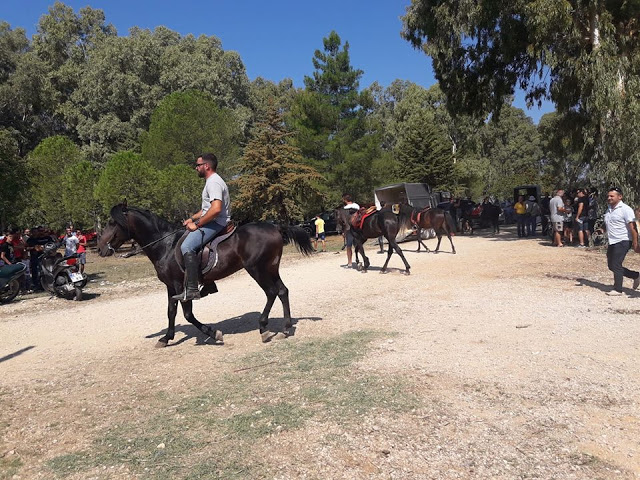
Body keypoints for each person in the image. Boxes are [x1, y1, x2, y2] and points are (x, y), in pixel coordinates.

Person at [173, 153, 231, 301]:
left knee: (187, 247)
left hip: (217, 223)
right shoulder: (211, 182)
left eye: (198, 165)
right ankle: (208, 283)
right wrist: (192, 218)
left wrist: (197, 224)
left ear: (207, 166)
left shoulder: (213, 182)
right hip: (213, 220)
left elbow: (216, 209)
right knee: (188, 239)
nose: (196, 168)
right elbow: (207, 209)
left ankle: (192, 289)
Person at [603, 187, 639, 296]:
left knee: (616, 264)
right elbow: (609, 223)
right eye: (608, 196)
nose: (609, 198)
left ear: (620, 197)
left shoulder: (625, 209)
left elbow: (633, 227)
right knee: (611, 266)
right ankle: (636, 276)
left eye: (612, 196)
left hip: (623, 240)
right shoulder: (609, 209)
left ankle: (618, 289)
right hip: (612, 241)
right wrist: (602, 230)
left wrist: (635, 242)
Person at [342, 194, 360, 268]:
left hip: (349, 229)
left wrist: (343, 231)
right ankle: (359, 259)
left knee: (349, 246)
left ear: (345, 200)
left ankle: (350, 262)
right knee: (358, 245)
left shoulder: (345, 208)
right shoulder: (357, 206)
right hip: (357, 228)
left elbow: (344, 221)